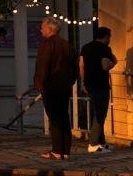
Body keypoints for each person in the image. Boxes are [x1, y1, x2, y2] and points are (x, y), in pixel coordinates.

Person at [35, 16, 76, 160]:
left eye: (42, 27)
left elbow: (43, 66)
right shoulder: (67, 45)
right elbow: (74, 67)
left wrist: (40, 84)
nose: (41, 30)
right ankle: (65, 151)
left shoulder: (47, 45)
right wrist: (70, 81)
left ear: (49, 28)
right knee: (64, 116)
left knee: (54, 118)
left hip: (51, 86)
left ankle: (57, 150)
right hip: (64, 86)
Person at [79, 26, 117, 153]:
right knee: (100, 114)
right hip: (101, 84)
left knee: (96, 112)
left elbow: (81, 65)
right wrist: (114, 63)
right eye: (109, 36)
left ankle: (102, 142)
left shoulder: (85, 47)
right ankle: (93, 144)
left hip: (89, 83)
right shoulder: (105, 49)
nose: (110, 39)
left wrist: (83, 82)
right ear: (105, 36)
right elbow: (106, 66)